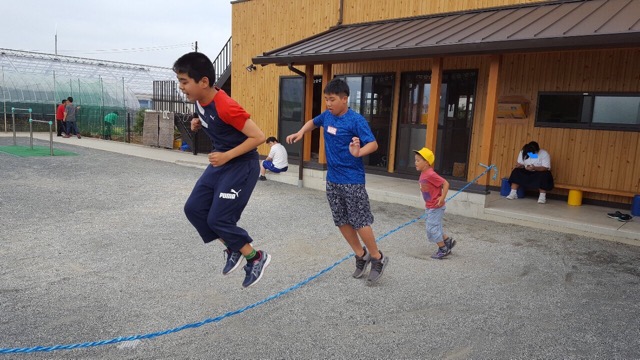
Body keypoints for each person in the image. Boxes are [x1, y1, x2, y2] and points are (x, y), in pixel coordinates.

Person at [174, 52, 271, 288]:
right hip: (222, 163)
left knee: (219, 218)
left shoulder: (227, 106)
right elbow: (206, 113)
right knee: (194, 209)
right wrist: (197, 121)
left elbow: (258, 137)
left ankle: (255, 257)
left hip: (241, 164)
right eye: (180, 81)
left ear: (203, 82)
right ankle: (233, 248)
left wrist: (227, 155)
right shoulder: (199, 100)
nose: (181, 87)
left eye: (185, 82)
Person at [286, 78, 389, 285]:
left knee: (360, 221)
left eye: (332, 99)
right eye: (326, 99)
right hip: (332, 179)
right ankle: (361, 254)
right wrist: (300, 132)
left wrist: (359, 152)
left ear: (344, 99)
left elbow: (374, 144)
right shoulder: (327, 116)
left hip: (352, 180)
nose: (328, 103)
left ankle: (377, 258)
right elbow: (312, 122)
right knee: (341, 220)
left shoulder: (356, 120)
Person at [414, 147, 456, 259]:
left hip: (436, 207)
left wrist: (442, 197)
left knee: (431, 228)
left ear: (427, 163)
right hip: (430, 206)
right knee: (435, 227)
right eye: (415, 160)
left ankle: (443, 249)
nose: (415, 163)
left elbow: (445, 183)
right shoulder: (424, 173)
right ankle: (447, 241)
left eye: (418, 161)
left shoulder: (430, 174)